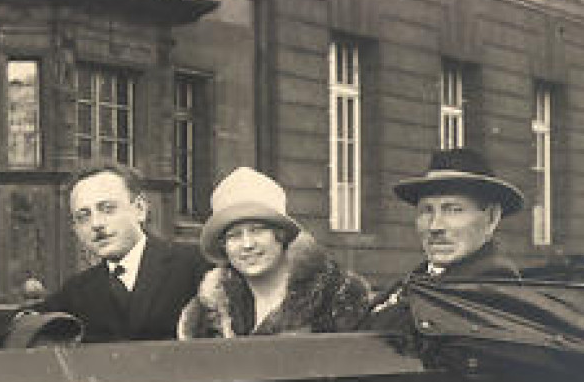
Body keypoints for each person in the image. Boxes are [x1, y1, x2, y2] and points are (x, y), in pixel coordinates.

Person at [177, 167, 372, 338]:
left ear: (281, 235)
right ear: (224, 247)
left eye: (257, 230)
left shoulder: (337, 299)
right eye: (234, 235)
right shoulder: (205, 318)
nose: (247, 244)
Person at [361, 147, 524, 332]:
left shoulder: (489, 287)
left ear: (491, 218)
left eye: (453, 210)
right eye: (427, 210)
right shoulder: (420, 279)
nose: (434, 226)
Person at [38, 162, 205, 343]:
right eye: (83, 216)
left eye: (107, 209)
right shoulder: (77, 291)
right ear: (76, 229)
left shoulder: (194, 266)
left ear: (140, 209)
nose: (96, 224)